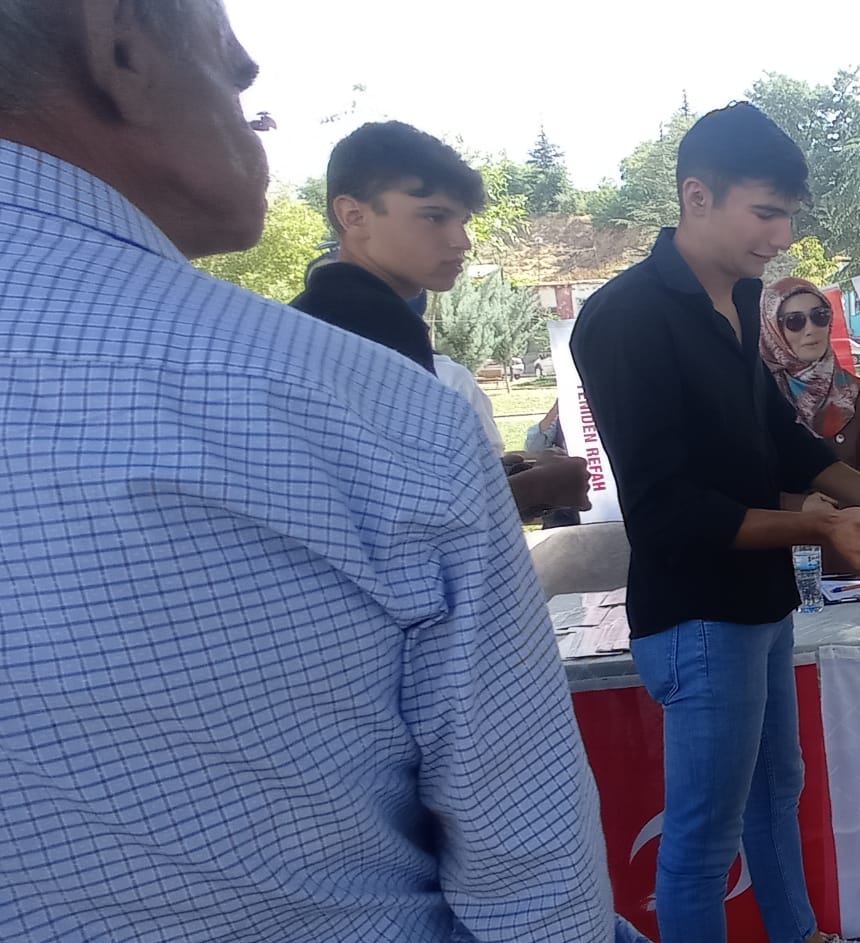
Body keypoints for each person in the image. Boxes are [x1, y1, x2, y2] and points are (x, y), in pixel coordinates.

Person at [0, 3, 637, 941]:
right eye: (234, 79)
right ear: (119, 47)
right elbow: (524, 847)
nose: (257, 121)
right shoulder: (346, 393)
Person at [570, 102, 860, 943]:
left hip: (762, 601)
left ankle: (799, 932)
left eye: (789, 215)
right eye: (766, 212)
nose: (782, 236)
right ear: (697, 196)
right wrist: (821, 530)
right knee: (704, 838)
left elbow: (783, 440)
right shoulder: (626, 315)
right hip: (696, 613)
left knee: (778, 792)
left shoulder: (738, 297)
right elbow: (664, 512)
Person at [294, 121, 591, 521]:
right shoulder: (354, 328)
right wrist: (534, 489)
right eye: (434, 217)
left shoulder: (346, 318)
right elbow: (395, 517)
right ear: (353, 215)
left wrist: (501, 473)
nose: (461, 241)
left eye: (462, 220)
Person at [760, 276, 860, 512]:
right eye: (795, 321)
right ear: (771, 329)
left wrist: (841, 509)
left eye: (820, 316)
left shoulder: (854, 391)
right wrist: (798, 505)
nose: (811, 330)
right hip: (778, 528)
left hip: (848, 524)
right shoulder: (757, 392)